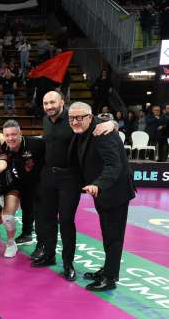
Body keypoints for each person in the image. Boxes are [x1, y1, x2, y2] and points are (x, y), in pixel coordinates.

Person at [32, 91, 114, 283]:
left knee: (66, 221)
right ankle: (49, 254)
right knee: (48, 219)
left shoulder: (73, 118)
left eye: (52, 102)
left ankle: (68, 263)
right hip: (48, 177)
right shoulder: (46, 120)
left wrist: (113, 122)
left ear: (62, 102)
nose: (49, 106)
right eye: (45, 103)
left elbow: (99, 122)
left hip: (70, 178)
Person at [67, 102, 135, 291]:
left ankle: (110, 278)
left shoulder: (103, 132)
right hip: (102, 193)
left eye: (80, 117)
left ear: (90, 116)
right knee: (107, 234)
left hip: (115, 192)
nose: (75, 121)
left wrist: (98, 184)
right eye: (72, 118)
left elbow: (114, 166)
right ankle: (107, 269)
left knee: (113, 237)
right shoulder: (85, 128)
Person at [0, 120, 45, 258]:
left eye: (14, 134)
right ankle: (26, 233)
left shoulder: (35, 144)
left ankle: (42, 245)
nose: (10, 138)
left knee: (40, 214)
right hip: (21, 182)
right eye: (7, 135)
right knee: (26, 208)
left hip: (39, 182)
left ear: (20, 133)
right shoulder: (5, 147)